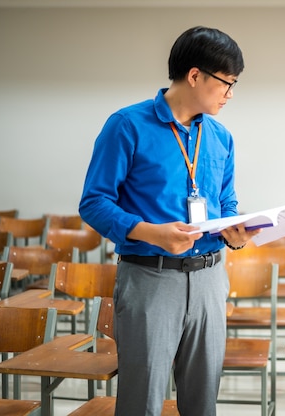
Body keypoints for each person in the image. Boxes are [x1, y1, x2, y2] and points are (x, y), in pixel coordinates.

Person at [79, 26, 260, 416]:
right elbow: (94, 202)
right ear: (195, 76)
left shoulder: (220, 137)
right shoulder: (127, 125)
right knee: (141, 399)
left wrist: (234, 231)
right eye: (227, 83)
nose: (230, 95)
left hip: (211, 278)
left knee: (202, 400)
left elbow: (225, 201)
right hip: (149, 278)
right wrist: (150, 233)